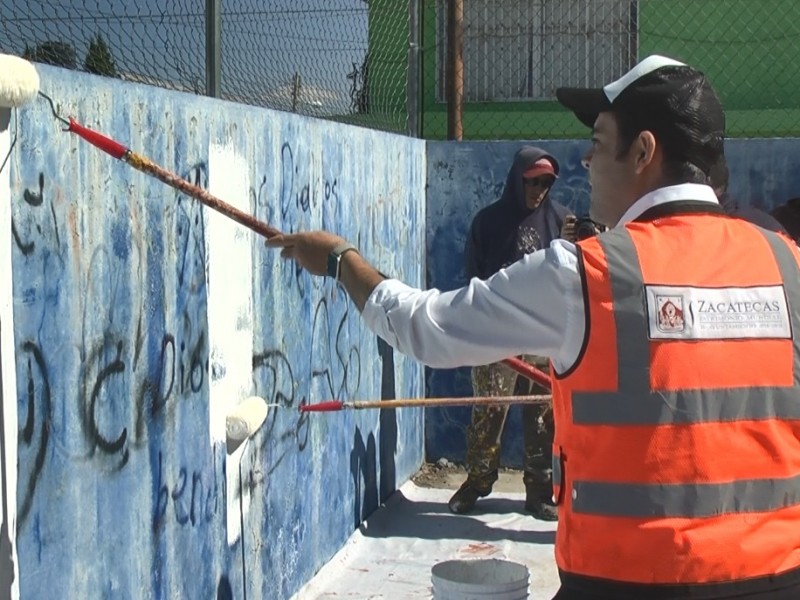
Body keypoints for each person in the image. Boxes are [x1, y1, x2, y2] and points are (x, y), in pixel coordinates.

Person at [268, 55, 800, 599]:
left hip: (625, 583)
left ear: (643, 151)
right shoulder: (788, 265)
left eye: (597, 141)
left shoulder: (586, 274)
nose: (586, 160)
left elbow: (425, 328)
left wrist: (339, 260)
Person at [452, 146, 571, 519]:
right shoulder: (488, 223)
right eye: (532, 181)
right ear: (516, 180)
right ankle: (479, 479)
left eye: (546, 183)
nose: (539, 189)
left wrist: (577, 243)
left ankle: (539, 490)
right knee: (489, 410)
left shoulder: (560, 221)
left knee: (542, 416)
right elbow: (473, 278)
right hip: (497, 337)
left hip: (542, 335)